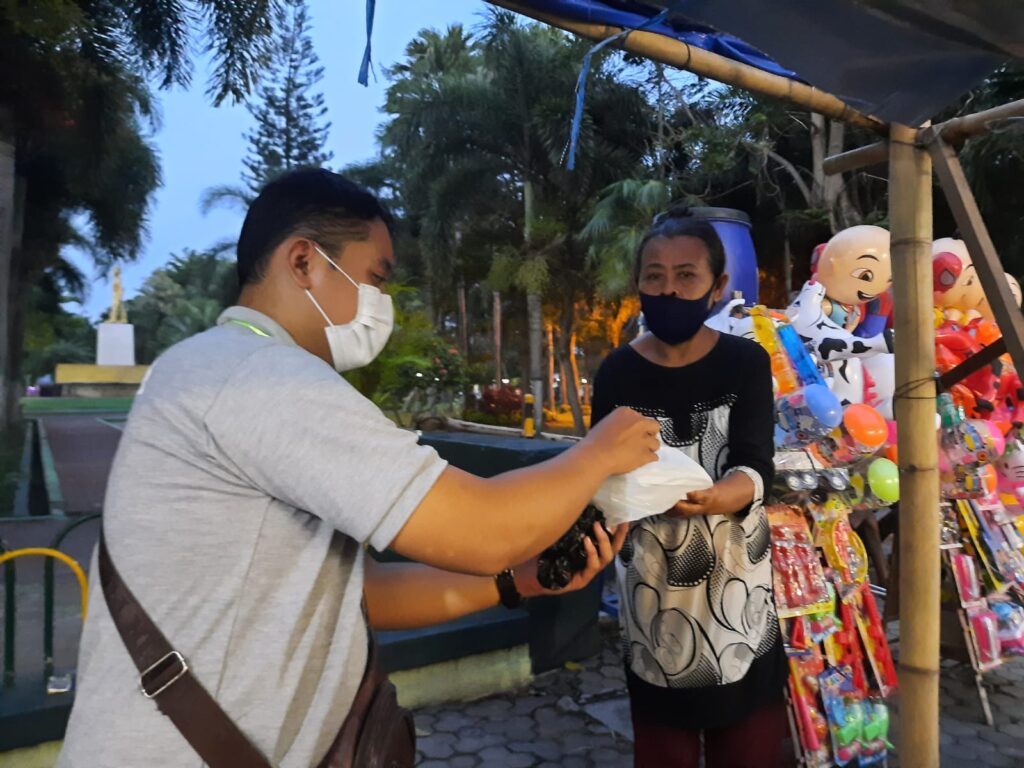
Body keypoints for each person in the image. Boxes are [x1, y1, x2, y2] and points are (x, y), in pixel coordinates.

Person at [58, 169, 660, 767]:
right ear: (303, 262)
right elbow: (485, 530)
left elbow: (358, 591)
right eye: (375, 279)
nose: (381, 305)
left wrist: (516, 581)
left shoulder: (202, 367)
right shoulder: (261, 376)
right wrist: (599, 450)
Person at [590, 210, 787, 768]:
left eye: (686, 276)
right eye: (654, 276)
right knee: (663, 751)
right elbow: (599, 472)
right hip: (653, 597)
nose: (668, 289)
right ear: (639, 285)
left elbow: (755, 464)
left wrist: (722, 495)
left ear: (718, 287)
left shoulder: (746, 362)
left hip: (738, 590)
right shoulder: (616, 374)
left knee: (748, 749)